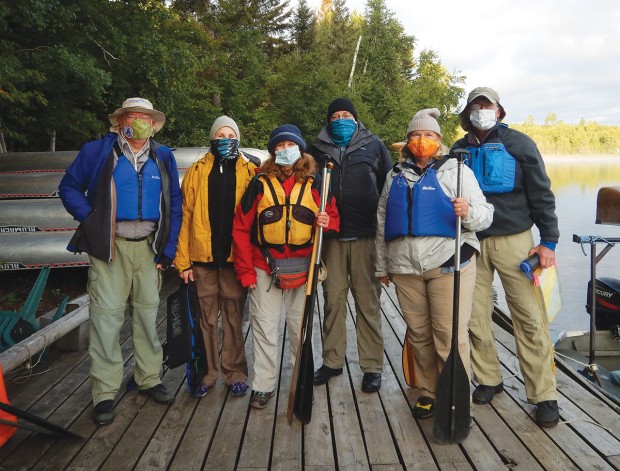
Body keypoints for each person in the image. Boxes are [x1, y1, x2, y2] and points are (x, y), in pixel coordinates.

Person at [59, 97, 182, 425]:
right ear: (120, 121)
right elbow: (69, 187)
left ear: (154, 124)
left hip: (148, 249)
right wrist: (91, 218)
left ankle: (149, 378)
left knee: (146, 316)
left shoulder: (164, 156)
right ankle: (104, 393)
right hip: (109, 248)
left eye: (145, 117)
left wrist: (168, 248)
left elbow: (174, 204)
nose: (139, 122)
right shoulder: (98, 152)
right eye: (133, 117)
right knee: (106, 320)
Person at [452, 87, 561, 427]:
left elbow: (541, 192)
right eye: (475, 106)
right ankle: (488, 378)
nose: (481, 110)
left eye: (487, 105)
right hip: (472, 241)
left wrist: (550, 241)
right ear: (468, 112)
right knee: (473, 314)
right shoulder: (458, 150)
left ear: (498, 111)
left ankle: (544, 395)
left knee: (529, 317)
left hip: (516, 241)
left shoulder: (520, 144)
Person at [375, 108, 493, 418]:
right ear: (408, 140)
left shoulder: (456, 171)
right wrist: (381, 266)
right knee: (419, 335)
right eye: (416, 134)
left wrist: (466, 210)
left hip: (448, 263)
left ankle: (454, 396)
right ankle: (427, 391)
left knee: (449, 335)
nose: (421, 140)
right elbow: (382, 222)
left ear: (438, 140)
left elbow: (484, 217)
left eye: (428, 135)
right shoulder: (394, 175)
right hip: (404, 269)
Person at [233, 124, 339, 409]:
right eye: (278, 147)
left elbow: (334, 219)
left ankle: (300, 380)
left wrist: (326, 222)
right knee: (265, 328)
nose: (284, 150)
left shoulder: (317, 183)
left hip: (303, 268)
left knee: (299, 329)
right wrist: (244, 271)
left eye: (289, 145)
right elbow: (241, 228)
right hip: (264, 267)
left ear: (300, 149)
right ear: (272, 153)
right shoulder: (258, 183)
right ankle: (263, 386)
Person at [174, 116, 260, 398]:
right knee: (207, 319)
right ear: (212, 138)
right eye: (220, 135)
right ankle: (208, 372)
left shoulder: (250, 172)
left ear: (238, 138)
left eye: (230, 135)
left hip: (235, 259)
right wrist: (183, 261)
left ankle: (234, 372)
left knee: (234, 319)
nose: (225, 139)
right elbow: (184, 218)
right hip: (203, 260)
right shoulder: (197, 171)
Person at [310, 98, 392, 393]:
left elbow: (388, 188)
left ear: (356, 119)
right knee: (332, 302)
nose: (341, 119)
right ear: (329, 120)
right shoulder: (316, 149)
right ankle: (332, 361)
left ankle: (371, 366)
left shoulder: (374, 145)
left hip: (365, 236)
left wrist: (388, 237)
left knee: (367, 302)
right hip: (330, 238)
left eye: (346, 115)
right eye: (336, 115)